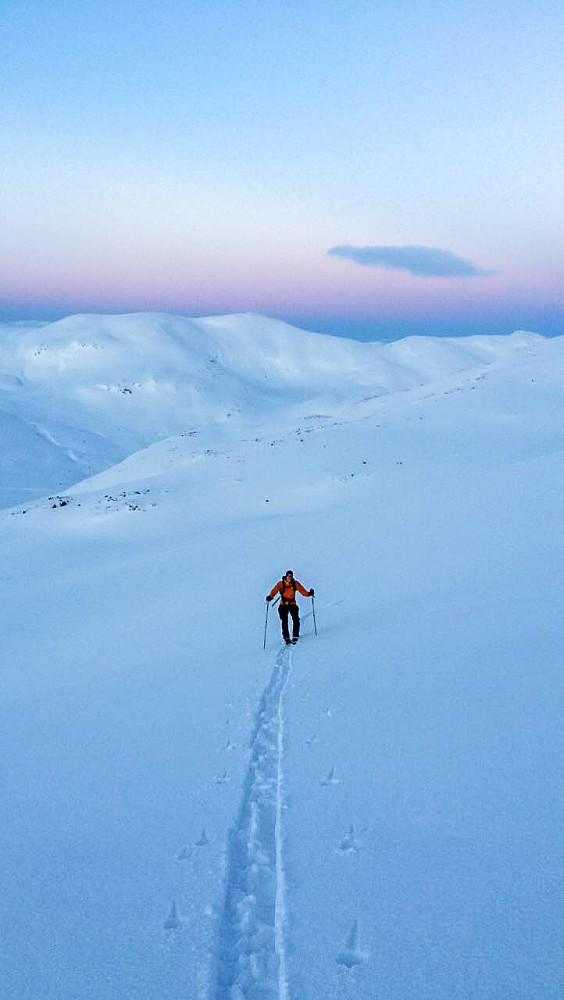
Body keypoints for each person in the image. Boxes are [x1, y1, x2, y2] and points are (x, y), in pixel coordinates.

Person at [266, 570, 314, 645]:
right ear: (286, 576)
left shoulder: (295, 584)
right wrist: (270, 597)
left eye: (291, 576)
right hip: (283, 604)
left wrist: (309, 593)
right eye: (288, 576)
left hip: (292, 604)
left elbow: (303, 591)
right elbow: (274, 591)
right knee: (284, 621)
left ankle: (295, 635)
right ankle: (286, 637)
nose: (290, 578)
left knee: (296, 619)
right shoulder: (281, 584)